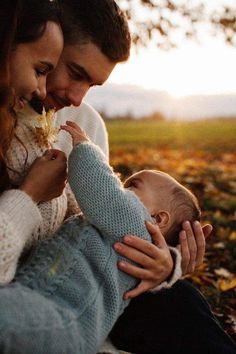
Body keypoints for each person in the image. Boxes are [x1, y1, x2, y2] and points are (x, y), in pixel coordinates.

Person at [1, 0, 234, 353]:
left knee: (180, 302)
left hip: (87, 290)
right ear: (49, 45)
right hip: (29, 291)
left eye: (92, 85)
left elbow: (107, 219)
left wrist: (161, 263)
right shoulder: (8, 115)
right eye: (75, 73)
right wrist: (30, 194)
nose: (77, 97)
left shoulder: (86, 123)